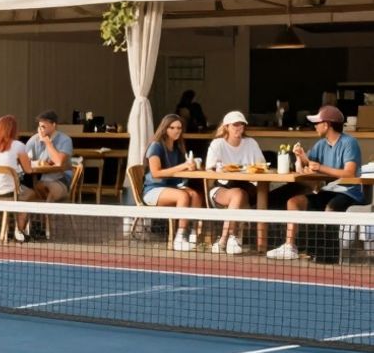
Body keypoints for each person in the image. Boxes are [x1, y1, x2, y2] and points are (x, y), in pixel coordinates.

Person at [268, 105, 365, 263]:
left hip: (349, 192)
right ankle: (289, 246)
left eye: (317, 123)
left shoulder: (349, 142)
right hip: (327, 191)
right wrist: (302, 157)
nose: (315, 126)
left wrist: (320, 167)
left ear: (326, 125)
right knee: (294, 202)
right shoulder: (321, 144)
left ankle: (329, 256)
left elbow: (349, 173)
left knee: (331, 208)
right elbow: (310, 165)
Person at [204, 111, 265, 255]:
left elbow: (261, 166)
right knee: (238, 194)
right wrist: (221, 171)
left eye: (241, 125)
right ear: (226, 127)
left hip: (246, 188)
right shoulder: (217, 144)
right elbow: (209, 169)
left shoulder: (251, 143)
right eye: (235, 125)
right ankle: (231, 237)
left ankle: (223, 240)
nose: (239, 128)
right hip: (221, 189)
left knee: (239, 194)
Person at [141, 113, 204, 252]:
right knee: (183, 196)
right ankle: (179, 238)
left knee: (195, 195)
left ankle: (193, 234)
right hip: (152, 191)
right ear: (165, 129)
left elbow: (178, 170)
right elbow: (156, 173)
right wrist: (183, 166)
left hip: (171, 187)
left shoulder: (177, 147)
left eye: (179, 128)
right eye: (172, 128)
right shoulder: (155, 146)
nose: (176, 131)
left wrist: (190, 166)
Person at [0, 115, 40, 242]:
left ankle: (10, 228)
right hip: (10, 193)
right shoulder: (19, 145)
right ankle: (19, 230)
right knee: (31, 194)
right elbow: (28, 170)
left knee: (22, 195)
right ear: (14, 130)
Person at [24, 110, 73, 203]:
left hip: (61, 178)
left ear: (53, 125)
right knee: (31, 190)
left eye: (43, 127)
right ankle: (43, 210)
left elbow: (59, 162)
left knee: (50, 190)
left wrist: (48, 143)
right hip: (38, 178)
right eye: (39, 126)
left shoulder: (65, 140)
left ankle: (46, 211)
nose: (41, 130)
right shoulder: (34, 139)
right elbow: (25, 161)